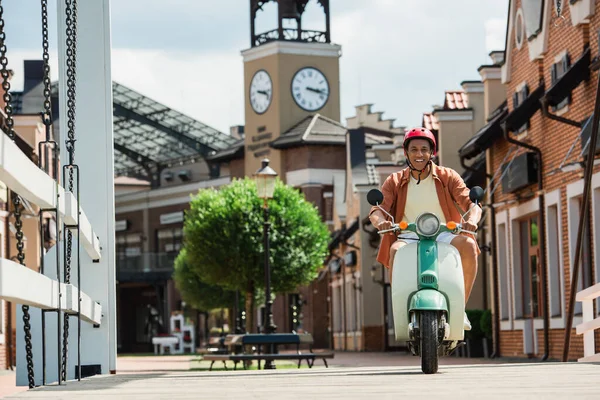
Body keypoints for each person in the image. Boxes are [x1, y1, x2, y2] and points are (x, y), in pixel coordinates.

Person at [368, 127, 482, 330]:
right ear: (406, 152)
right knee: (394, 250)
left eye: (424, 149)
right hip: (408, 235)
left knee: (469, 246)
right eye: (413, 149)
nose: (419, 154)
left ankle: (459, 308)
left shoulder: (448, 176)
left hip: (444, 233)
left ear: (432, 153)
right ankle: (402, 311)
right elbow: (378, 210)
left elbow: (470, 203)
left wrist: (472, 218)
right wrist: (381, 222)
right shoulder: (394, 181)